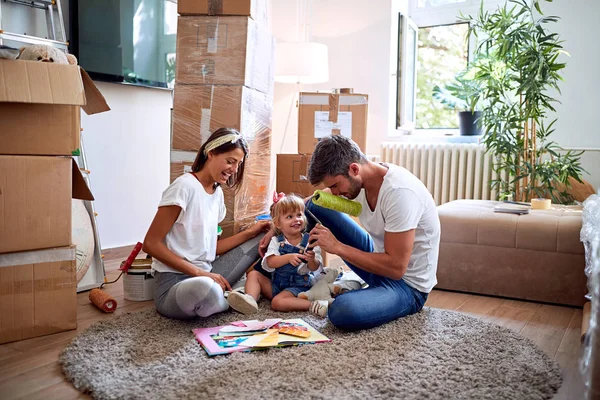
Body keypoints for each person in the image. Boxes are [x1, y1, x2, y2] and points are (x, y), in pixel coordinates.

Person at [260, 135, 440, 331]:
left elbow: (396, 268)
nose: (334, 193)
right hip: (377, 260)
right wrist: (274, 228)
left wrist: (337, 247)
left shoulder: (399, 194)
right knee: (313, 206)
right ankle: (279, 280)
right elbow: (311, 201)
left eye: (335, 185)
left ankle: (353, 294)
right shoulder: (362, 179)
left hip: (407, 286)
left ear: (354, 169)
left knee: (342, 311)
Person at [143, 128, 270, 320]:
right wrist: (200, 273)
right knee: (206, 289)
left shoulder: (217, 193)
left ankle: (229, 295)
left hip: (209, 272)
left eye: (238, 164)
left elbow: (212, 249)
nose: (234, 169)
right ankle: (232, 296)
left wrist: (251, 232)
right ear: (210, 153)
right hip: (176, 283)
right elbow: (151, 244)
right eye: (230, 161)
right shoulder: (184, 186)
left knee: (262, 238)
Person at [228, 194, 329, 316]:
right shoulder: (276, 241)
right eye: (289, 217)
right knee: (254, 274)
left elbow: (316, 268)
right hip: (276, 285)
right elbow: (270, 262)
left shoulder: (310, 241)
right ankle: (250, 300)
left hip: (298, 287)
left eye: (299, 215)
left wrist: (311, 260)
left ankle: (314, 305)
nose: (296, 219)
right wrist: (287, 258)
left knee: (277, 303)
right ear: (278, 224)